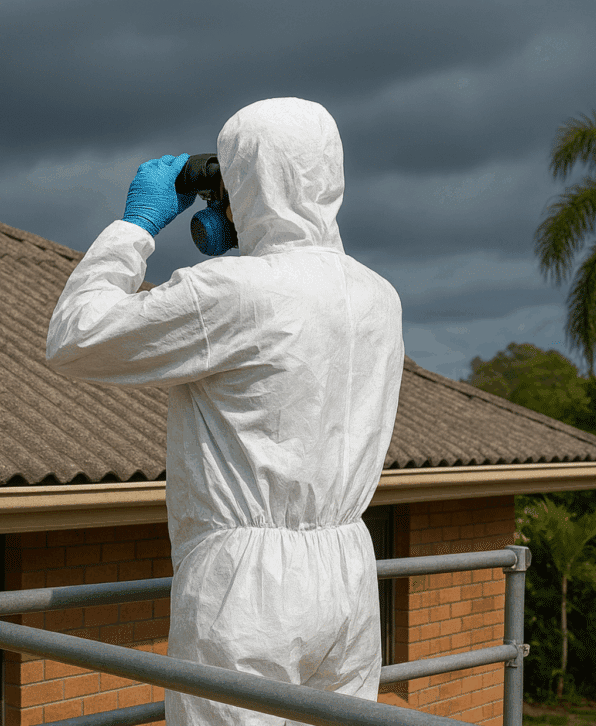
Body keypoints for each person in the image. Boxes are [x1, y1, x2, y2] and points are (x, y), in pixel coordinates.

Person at [46, 98, 404, 725]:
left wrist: (135, 228)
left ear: (249, 183)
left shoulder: (231, 293)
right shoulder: (379, 294)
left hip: (248, 590)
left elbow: (76, 339)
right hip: (349, 569)